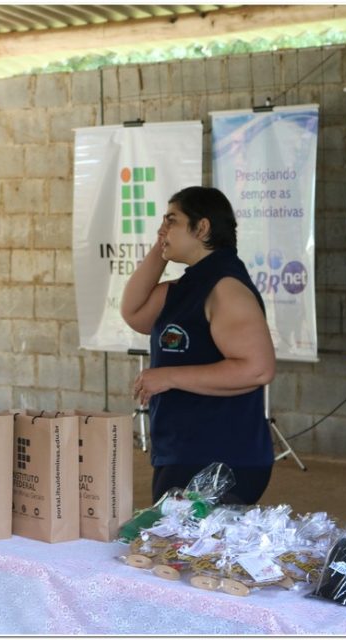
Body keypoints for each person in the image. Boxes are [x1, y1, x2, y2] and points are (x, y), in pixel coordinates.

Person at [121, 186, 276, 505]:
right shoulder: (186, 286)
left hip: (221, 457)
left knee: (180, 538)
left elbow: (258, 369)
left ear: (202, 227)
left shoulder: (226, 287)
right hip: (182, 450)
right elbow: (134, 312)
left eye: (172, 221)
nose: (162, 229)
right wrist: (162, 245)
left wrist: (169, 377)